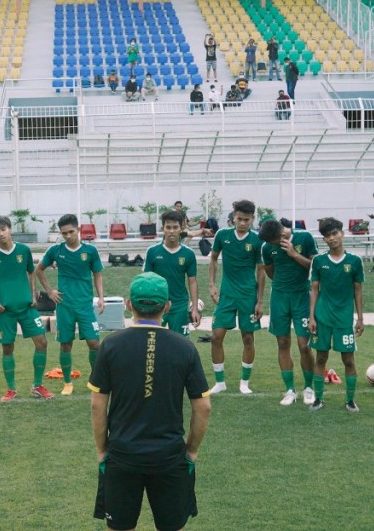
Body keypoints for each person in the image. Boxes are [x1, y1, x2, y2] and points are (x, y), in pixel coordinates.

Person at [89, 272, 211, 531]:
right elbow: (203, 407)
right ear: (167, 306)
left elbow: (97, 405)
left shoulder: (110, 346)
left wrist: (102, 450)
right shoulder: (184, 347)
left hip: (122, 455)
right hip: (169, 456)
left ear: (128, 304)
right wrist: (191, 450)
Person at [0, 215, 53, 401]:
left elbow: (31, 271)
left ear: (10, 229)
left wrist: (32, 293)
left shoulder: (23, 250)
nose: (1, 234)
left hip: (27, 308)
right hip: (6, 312)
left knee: (42, 343)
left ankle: (37, 386)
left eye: (3, 229)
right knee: (7, 348)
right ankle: (11, 389)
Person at [35, 213, 105, 396]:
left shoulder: (90, 251)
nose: (67, 236)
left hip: (84, 304)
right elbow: (39, 270)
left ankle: (94, 380)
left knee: (94, 343)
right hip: (64, 305)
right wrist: (50, 291)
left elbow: (97, 274)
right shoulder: (56, 250)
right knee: (65, 344)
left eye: (71, 232)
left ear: (79, 229)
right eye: (64, 233)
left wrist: (101, 297)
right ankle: (67, 382)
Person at [258, 218, 318, 407]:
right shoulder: (267, 248)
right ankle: (290, 390)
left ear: (282, 234)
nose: (271, 245)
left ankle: (309, 387)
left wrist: (294, 254)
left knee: (304, 345)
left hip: (301, 297)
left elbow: (316, 268)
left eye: (274, 241)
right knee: (283, 342)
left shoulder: (305, 238)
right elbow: (270, 272)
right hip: (279, 299)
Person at [307, 218, 365, 412]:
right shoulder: (319, 261)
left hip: (344, 319)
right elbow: (314, 290)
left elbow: (358, 291)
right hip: (322, 317)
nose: (332, 238)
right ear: (324, 240)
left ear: (342, 233)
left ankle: (349, 400)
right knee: (320, 358)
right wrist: (312, 317)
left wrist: (360, 318)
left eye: (334, 233)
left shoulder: (355, 261)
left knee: (348, 360)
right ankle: (319, 399)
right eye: (327, 236)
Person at [208, 199, 264, 395]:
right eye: (239, 219)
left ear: (252, 219)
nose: (242, 223)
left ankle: (244, 383)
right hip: (227, 294)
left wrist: (260, 300)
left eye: (246, 220)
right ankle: (220, 382)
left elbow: (260, 271)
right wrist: (213, 284)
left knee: (248, 338)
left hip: (248, 295)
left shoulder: (257, 241)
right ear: (233, 218)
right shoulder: (223, 235)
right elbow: (213, 259)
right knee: (216, 337)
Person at [144, 210, 200, 338]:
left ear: (181, 229)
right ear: (163, 228)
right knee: (152, 342)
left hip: (179, 304)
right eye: (168, 227)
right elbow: (146, 280)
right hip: (157, 304)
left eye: (175, 227)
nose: (171, 231)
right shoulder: (152, 252)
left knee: (182, 344)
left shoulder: (188, 254)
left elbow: (192, 281)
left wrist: (195, 308)